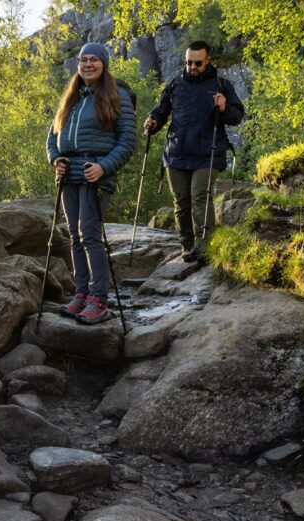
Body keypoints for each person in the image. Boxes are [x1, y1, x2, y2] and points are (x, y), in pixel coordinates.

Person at [46, 42, 137, 324]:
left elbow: (127, 142)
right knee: (74, 235)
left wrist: (103, 167)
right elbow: (52, 137)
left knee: (90, 235)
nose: (88, 65)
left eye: (94, 60)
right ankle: (82, 293)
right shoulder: (71, 97)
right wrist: (55, 158)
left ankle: (99, 299)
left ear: (104, 64)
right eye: (83, 60)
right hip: (69, 175)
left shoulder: (118, 95)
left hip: (94, 174)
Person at [144, 41, 245, 262]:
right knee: (181, 200)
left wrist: (224, 107)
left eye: (197, 63)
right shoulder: (175, 84)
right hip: (176, 152)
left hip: (208, 152)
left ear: (207, 61)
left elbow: (236, 117)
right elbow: (161, 112)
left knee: (200, 196)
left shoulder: (221, 85)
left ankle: (205, 245)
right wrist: (152, 122)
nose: (192, 66)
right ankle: (187, 245)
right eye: (188, 62)